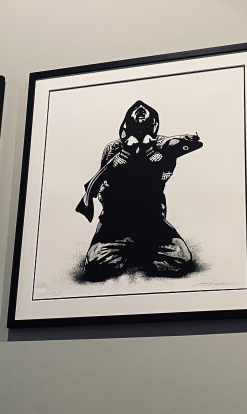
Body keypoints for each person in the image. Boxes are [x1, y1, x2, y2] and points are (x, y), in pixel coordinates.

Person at [76, 101, 203, 281]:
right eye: (135, 113)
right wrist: (118, 163)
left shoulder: (164, 146)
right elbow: (103, 186)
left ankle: (143, 250)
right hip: (115, 222)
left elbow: (163, 175)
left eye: (145, 114)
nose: (140, 111)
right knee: (95, 266)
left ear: (154, 123)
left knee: (181, 259)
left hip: (152, 221)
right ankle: (131, 251)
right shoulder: (113, 148)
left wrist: (158, 154)